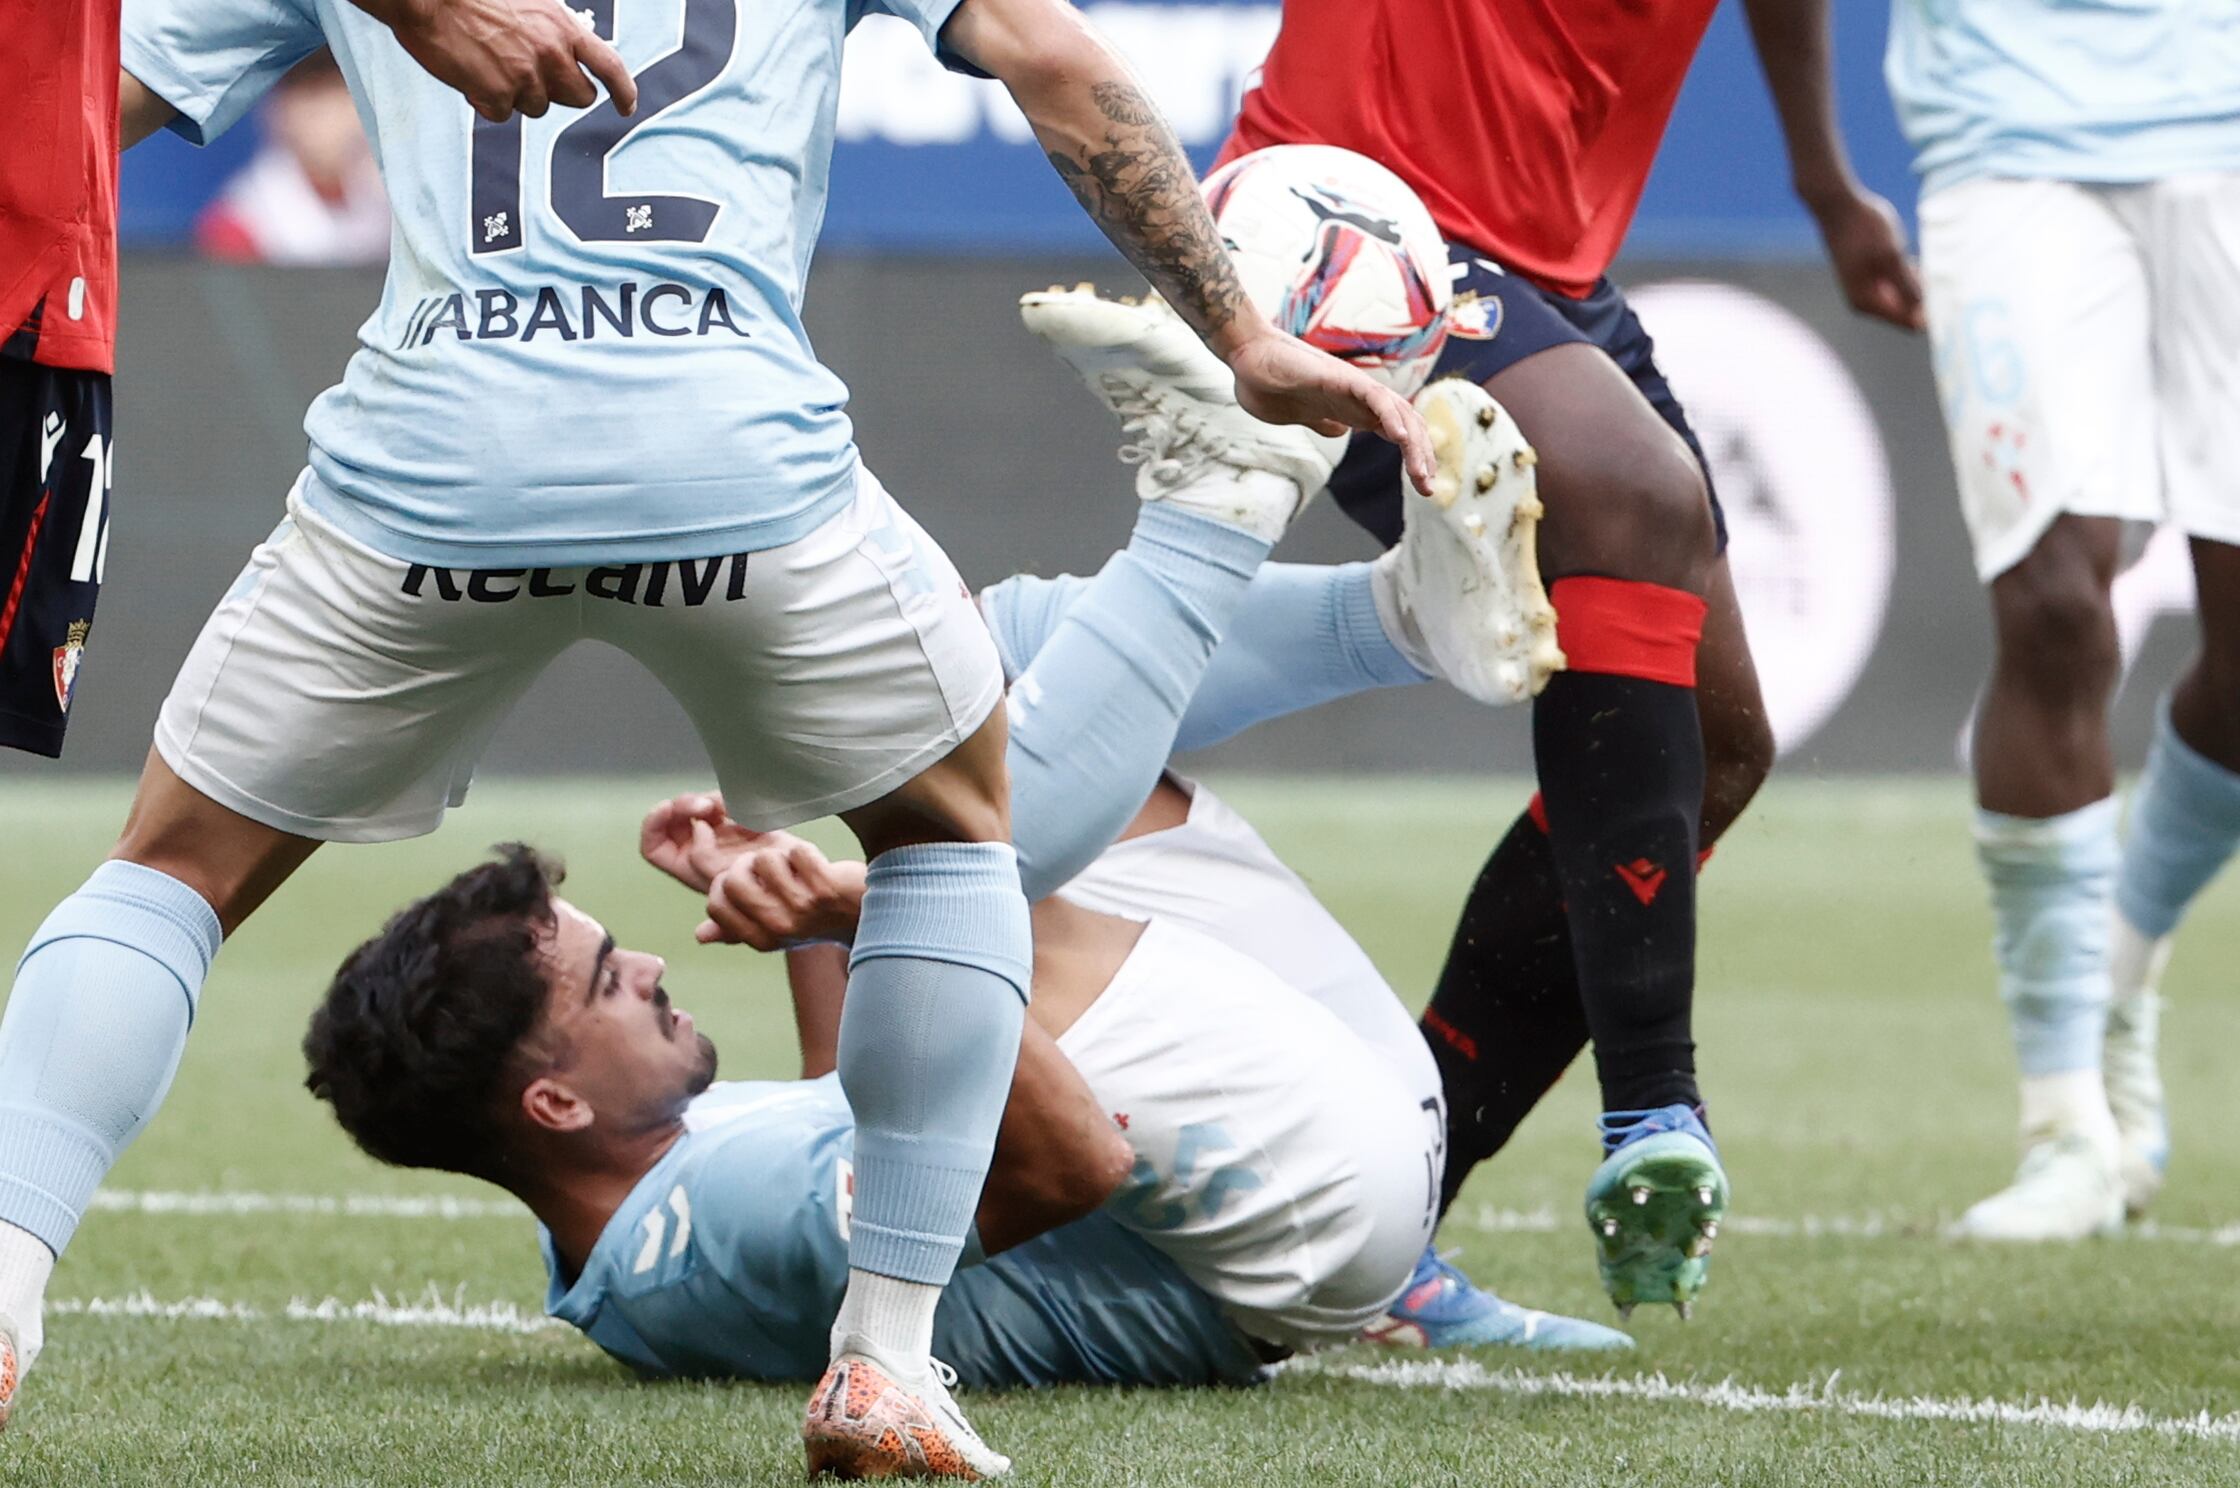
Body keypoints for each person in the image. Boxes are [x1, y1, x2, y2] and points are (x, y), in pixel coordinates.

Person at [0, 1, 1428, 1472]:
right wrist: (1241, 331)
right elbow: (1056, 62)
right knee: (948, 839)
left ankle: (2, 1281)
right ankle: (884, 1359)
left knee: (169, 874)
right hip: (740, 466)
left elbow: (67, 106)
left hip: (430, 470)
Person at [302, 319, 1622, 1426]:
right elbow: (1062, 1167)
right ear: (550, 1107)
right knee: (943, 834)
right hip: (1296, 1204)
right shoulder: (710, 1226)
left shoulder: (644, 1203)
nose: (644, 963)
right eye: (602, 979)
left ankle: (1405, 616)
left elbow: (872, 1103)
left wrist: (814, 904)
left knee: (981, 679)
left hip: (1338, 1148)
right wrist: (867, 904)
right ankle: (1219, 503)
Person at [1207, 0, 1926, 1322]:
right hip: (1344, 225)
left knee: (1721, 745)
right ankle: (1655, 1105)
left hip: (1551, 278)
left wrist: (1826, 180)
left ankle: (1372, 1232)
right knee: (1632, 491)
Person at [1774, 0, 2240, 1240]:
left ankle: (2117, 959)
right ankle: (2063, 1127)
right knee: (2051, 610)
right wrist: (1822, 180)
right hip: (2005, 138)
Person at [0, 0, 632, 762]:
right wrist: (434, 11)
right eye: (308, 94)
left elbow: (93, 101)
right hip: (32, 280)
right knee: (185, 838)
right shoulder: (259, 209)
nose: (325, 116)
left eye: (336, 91)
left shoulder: (395, 189)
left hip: (48, 264)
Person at [196, 51, 390, 267]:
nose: (330, 113)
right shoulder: (243, 222)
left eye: (342, 90)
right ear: (278, 110)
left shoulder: (387, 197)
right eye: (312, 94)